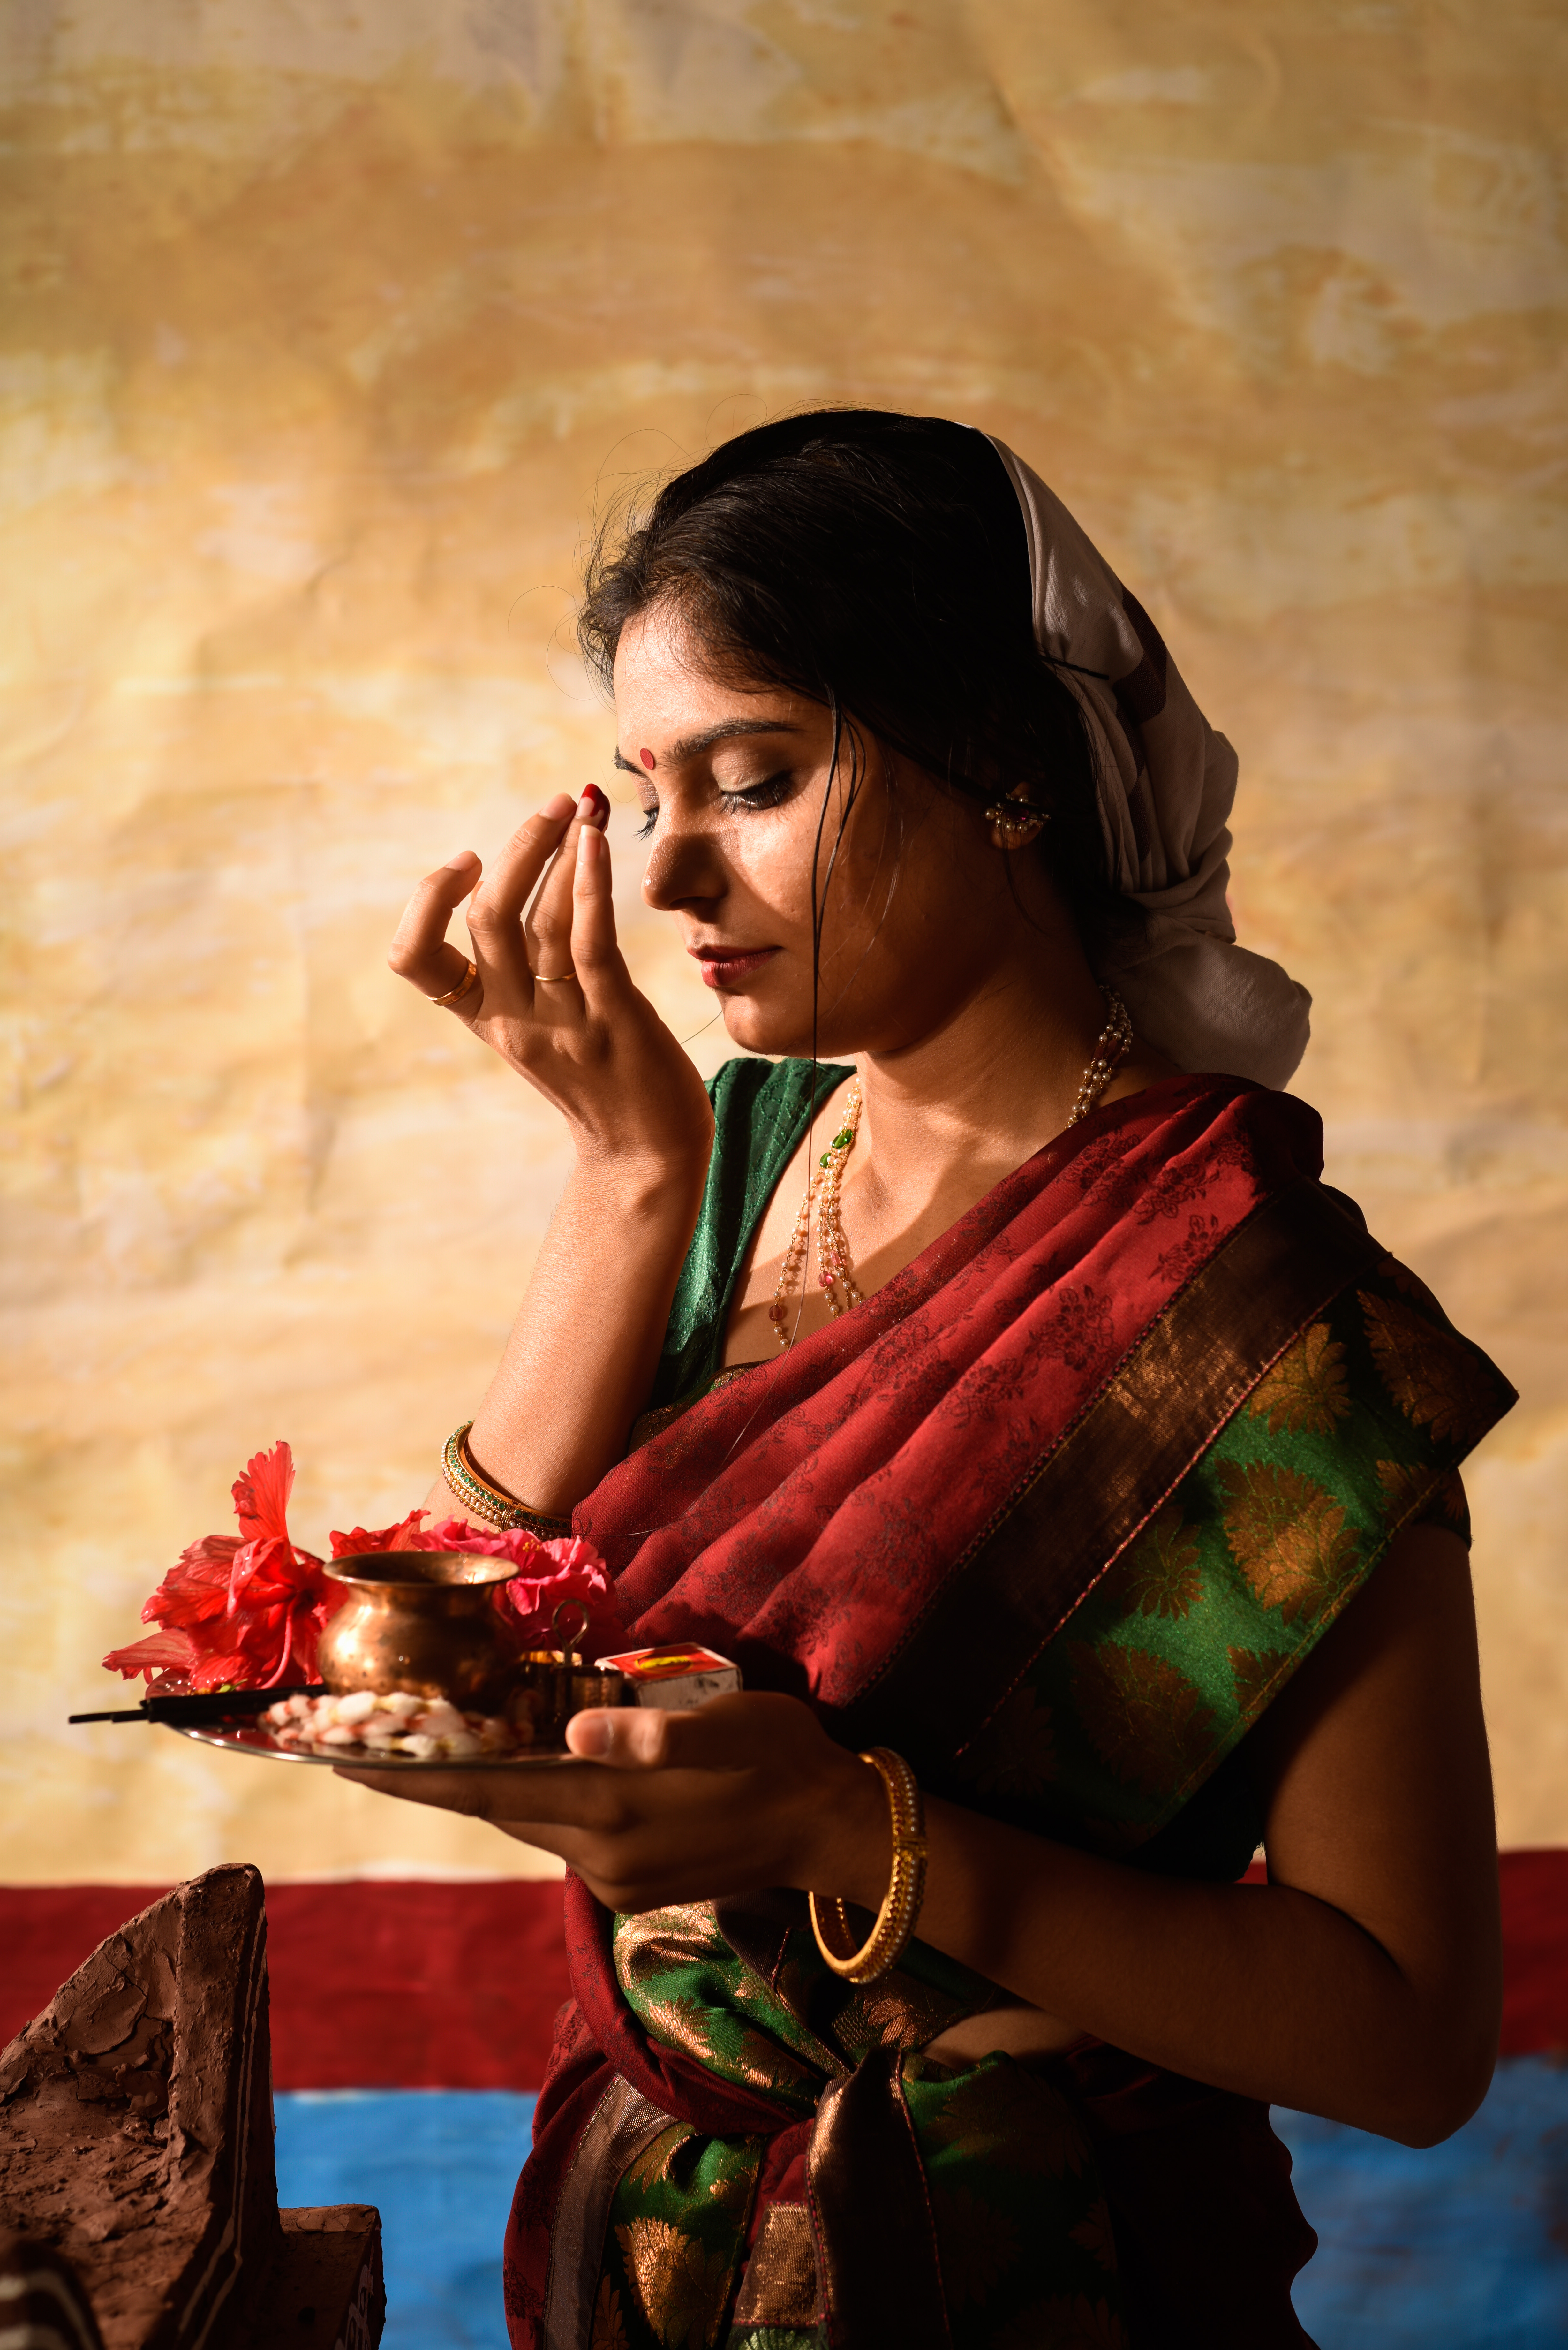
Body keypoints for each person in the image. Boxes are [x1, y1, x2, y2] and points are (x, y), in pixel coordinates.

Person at [356, 412, 1512, 2350]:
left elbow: (1407, 2038)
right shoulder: (728, 1160)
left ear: (999, 769)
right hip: (656, 2246)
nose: (669, 881)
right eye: (646, 794)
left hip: (1043, 2275)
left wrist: (853, 1835)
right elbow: (438, 1653)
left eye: (756, 779)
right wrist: (626, 1176)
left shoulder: (1259, 1318)